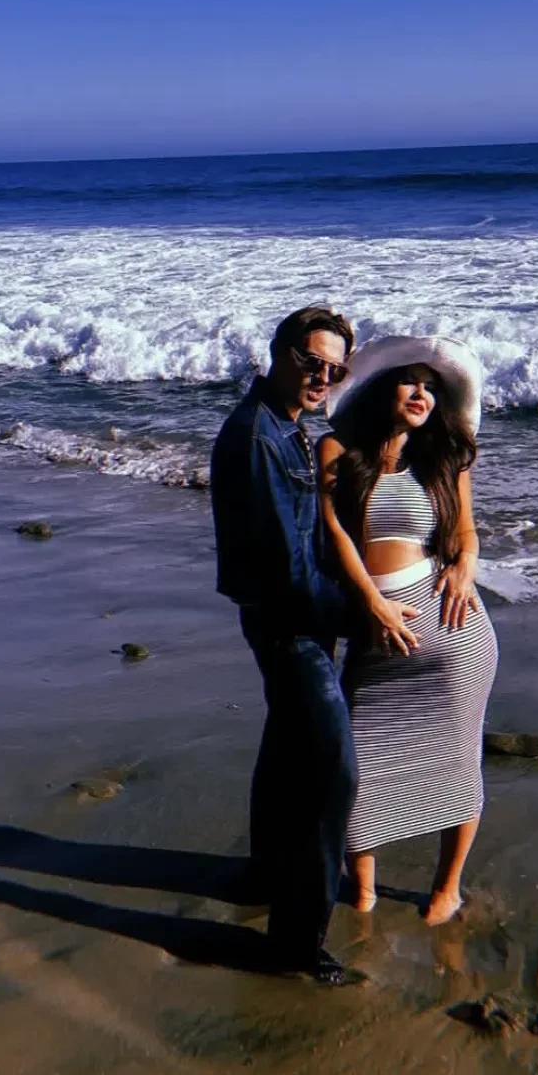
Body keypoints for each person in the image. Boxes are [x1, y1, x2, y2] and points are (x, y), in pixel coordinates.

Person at [318, 336, 498, 926]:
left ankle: (447, 889)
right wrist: (373, 604)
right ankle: (363, 890)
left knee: (457, 761)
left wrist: (466, 566)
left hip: (454, 632)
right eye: (410, 381)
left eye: (431, 387)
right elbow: (336, 535)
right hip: (378, 628)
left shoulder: (443, 458)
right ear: (381, 388)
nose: (422, 394)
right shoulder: (338, 450)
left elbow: (466, 532)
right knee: (358, 765)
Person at [209, 305, 359, 984]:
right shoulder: (257, 438)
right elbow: (289, 574)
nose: (322, 378)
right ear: (279, 353)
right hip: (286, 624)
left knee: (285, 747)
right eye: (311, 362)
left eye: (335, 371)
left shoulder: (288, 426)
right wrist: (366, 615)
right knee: (331, 769)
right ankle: (298, 940)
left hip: (289, 617)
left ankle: (266, 875)